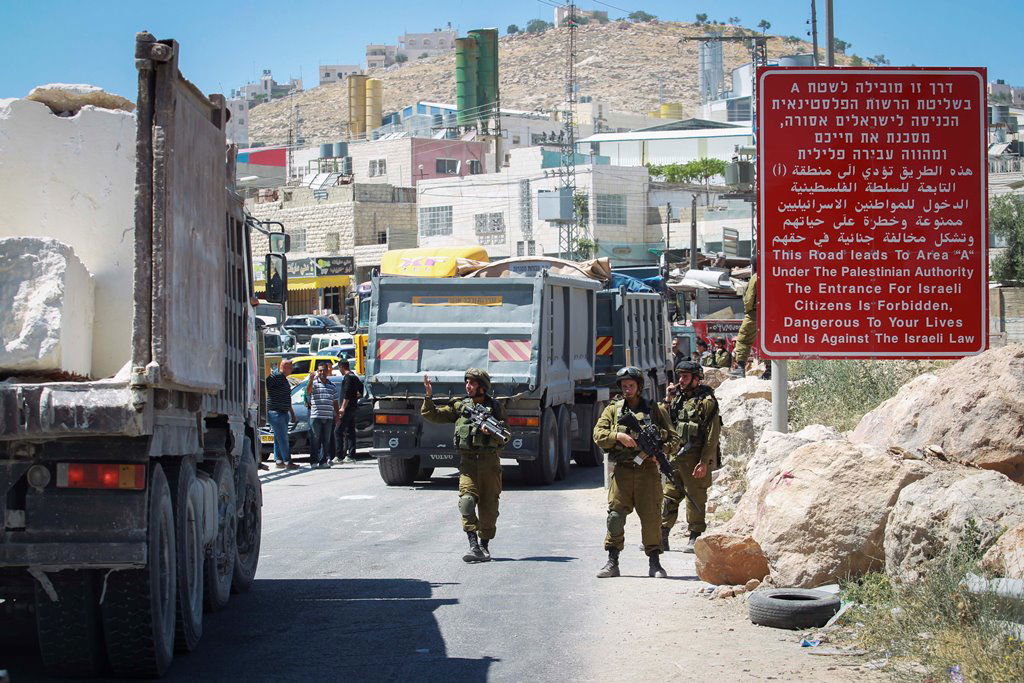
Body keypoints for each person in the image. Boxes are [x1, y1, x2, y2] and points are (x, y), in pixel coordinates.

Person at [592, 366, 678, 579]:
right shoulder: (613, 409)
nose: (627, 389)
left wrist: (661, 452)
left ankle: (655, 563)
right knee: (615, 517)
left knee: (651, 518)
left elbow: (674, 439)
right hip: (622, 472)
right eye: (624, 386)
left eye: (631, 386)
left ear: (639, 386)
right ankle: (612, 562)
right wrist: (618, 437)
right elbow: (598, 434)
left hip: (647, 472)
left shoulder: (654, 409)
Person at [421, 369, 509, 563]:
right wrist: (428, 396)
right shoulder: (461, 407)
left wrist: (491, 434)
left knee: (489, 509)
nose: (467, 386)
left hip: (489, 464)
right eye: (466, 382)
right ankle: (473, 545)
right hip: (468, 462)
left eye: (472, 383)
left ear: (482, 387)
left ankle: (484, 546)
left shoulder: (495, 407)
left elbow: (506, 436)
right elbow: (432, 414)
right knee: (467, 502)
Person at [661, 360, 721, 553]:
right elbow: (664, 422)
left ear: (696, 379)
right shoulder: (677, 398)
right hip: (676, 458)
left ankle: (694, 535)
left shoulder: (707, 402)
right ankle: (662, 535)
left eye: (685, 376)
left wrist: (704, 462)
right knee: (669, 495)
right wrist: (668, 399)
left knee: (695, 497)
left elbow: (712, 436)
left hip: (695, 458)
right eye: (680, 376)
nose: (681, 380)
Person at [305, 360, 340, 468]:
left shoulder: (332, 386)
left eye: (324, 370)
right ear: (317, 371)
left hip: (328, 417)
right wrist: (311, 379)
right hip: (316, 416)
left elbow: (335, 402)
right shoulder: (314, 383)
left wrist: (337, 416)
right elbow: (308, 392)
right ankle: (314, 461)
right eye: (320, 371)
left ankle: (323, 461)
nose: (322, 373)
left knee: (326, 440)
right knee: (315, 439)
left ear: (327, 371)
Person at [265, 360, 299, 470]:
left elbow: (287, 398)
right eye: (290, 367)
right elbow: (267, 382)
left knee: (278, 437)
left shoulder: (283, 378)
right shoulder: (276, 376)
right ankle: (287, 461)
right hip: (276, 412)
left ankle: (279, 460)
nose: (292, 369)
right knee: (283, 438)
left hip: (282, 412)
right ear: (284, 367)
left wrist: (292, 414)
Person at [333, 359, 363, 464]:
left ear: (341, 367)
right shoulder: (355, 377)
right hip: (353, 408)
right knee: (350, 432)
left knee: (338, 431)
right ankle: (350, 455)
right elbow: (362, 391)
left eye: (339, 368)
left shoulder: (348, 378)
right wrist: (355, 397)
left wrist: (342, 408)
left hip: (347, 409)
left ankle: (339, 456)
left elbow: (347, 394)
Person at [732, 271, 759, 378]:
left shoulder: (757, 276)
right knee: (771, 342)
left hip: (756, 313)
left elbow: (749, 298)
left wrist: (749, 311)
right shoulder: (778, 272)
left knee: (744, 339)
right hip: (775, 313)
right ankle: (769, 369)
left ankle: (740, 367)